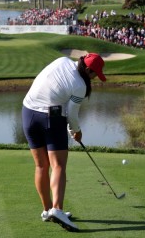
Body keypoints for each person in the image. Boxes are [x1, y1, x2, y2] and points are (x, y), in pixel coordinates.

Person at [22, 53, 106, 232]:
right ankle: (57, 209)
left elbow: (61, 102)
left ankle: (47, 210)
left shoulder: (62, 60)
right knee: (58, 165)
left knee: (41, 166)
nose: (94, 79)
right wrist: (77, 131)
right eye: (94, 75)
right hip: (50, 117)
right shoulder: (80, 85)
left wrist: (68, 125)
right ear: (89, 69)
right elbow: (72, 114)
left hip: (28, 113)